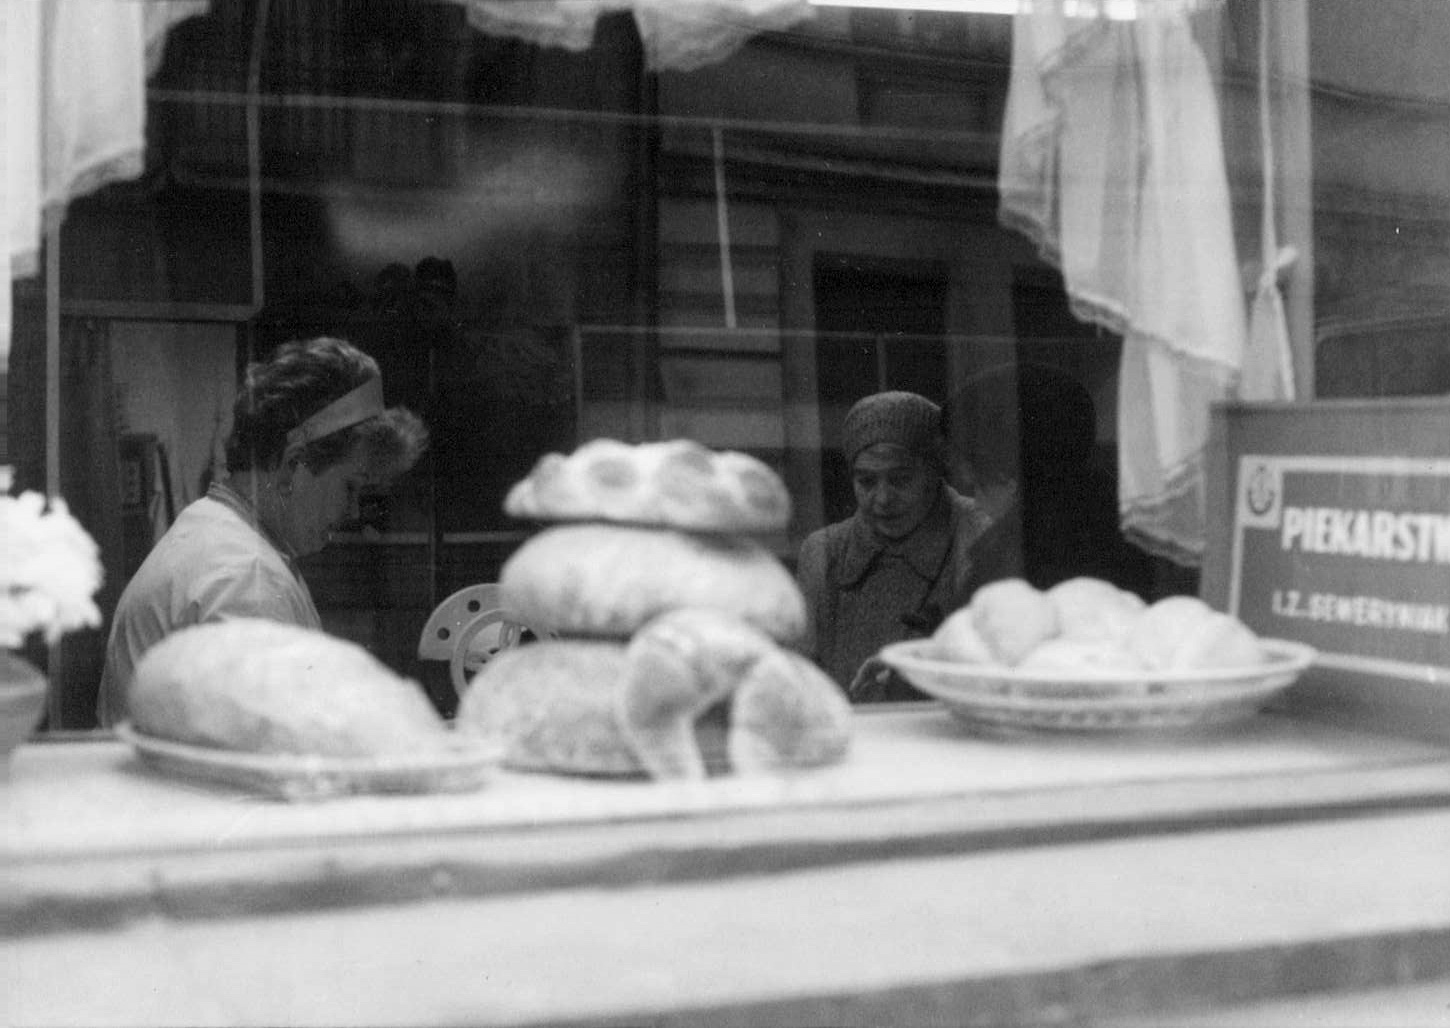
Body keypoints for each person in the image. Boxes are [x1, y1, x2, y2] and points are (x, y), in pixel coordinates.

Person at [97, 336, 428, 726]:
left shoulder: (217, 532)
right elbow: (267, 753)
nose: (353, 509)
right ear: (293, 464)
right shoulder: (243, 580)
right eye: (351, 486)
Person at [796, 390, 1018, 702]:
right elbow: (799, 678)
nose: (883, 499)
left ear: (933, 474)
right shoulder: (824, 551)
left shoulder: (979, 535)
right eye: (866, 482)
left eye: (900, 480)